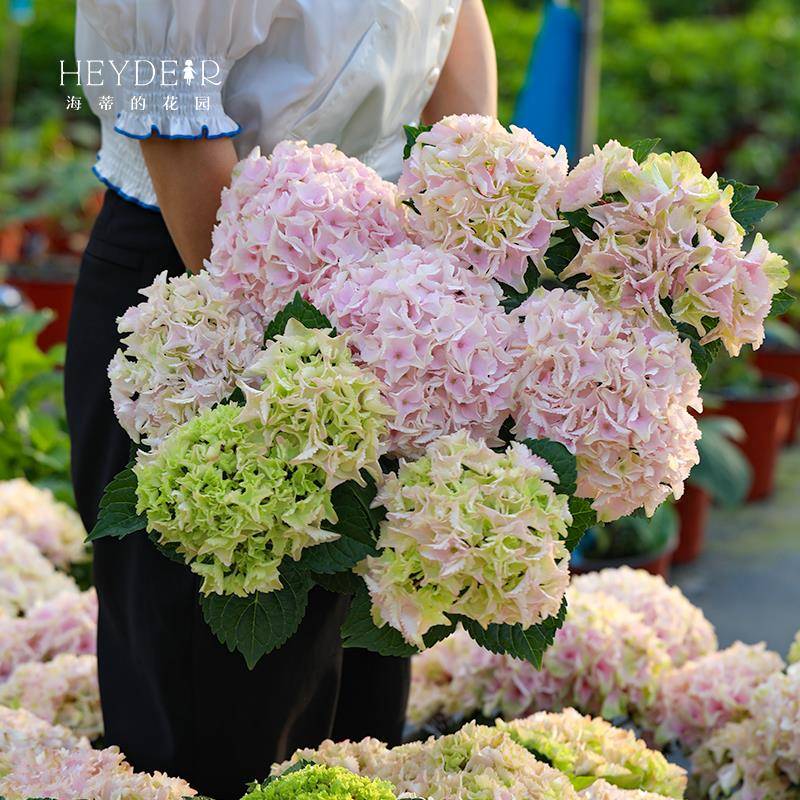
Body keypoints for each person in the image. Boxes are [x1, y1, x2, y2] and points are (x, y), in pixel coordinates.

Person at [66, 2, 497, 798]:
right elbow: (171, 113)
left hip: (384, 278)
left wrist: (468, 224)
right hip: (201, 271)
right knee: (221, 728)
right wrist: (286, 347)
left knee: (355, 719)